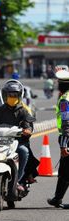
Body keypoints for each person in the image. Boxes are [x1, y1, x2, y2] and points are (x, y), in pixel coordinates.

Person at [0, 79, 34, 191]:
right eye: (10, 95)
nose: (12, 97)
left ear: (19, 96)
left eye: (15, 95)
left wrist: (27, 130)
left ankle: (19, 180)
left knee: (24, 151)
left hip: (17, 142)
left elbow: (28, 126)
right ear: (5, 95)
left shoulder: (23, 111)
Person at [47, 67, 69, 208]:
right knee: (64, 171)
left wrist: (64, 144)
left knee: (66, 170)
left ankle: (57, 198)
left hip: (67, 137)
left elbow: (66, 123)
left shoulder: (65, 100)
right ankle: (57, 198)